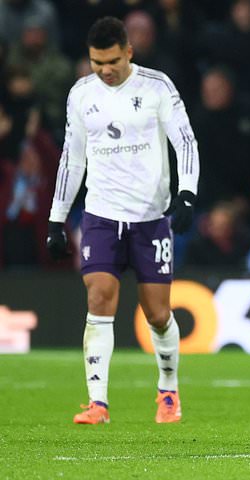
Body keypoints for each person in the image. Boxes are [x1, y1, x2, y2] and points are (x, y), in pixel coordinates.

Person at [45, 17, 199, 425]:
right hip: (100, 214)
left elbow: (184, 140)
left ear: (128, 52)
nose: (105, 70)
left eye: (112, 60)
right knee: (98, 298)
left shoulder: (156, 86)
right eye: (97, 62)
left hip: (150, 217)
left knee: (158, 314)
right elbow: (71, 158)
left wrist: (187, 194)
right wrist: (56, 219)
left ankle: (168, 390)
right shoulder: (81, 94)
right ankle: (98, 402)